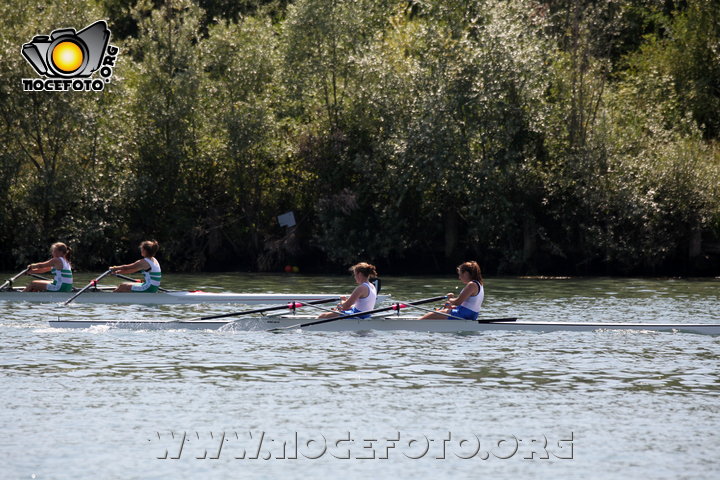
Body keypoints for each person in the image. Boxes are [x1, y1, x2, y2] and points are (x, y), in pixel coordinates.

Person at [420, 261, 484, 320]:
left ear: (466, 273)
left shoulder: (471, 285)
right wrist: (451, 305)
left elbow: (458, 302)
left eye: (460, 274)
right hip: (470, 314)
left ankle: (416, 323)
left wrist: (450, 299)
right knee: (445, 308)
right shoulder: (479, 284)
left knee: (431, 315)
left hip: (463, 314)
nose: (459, 277)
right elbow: (465, 304)